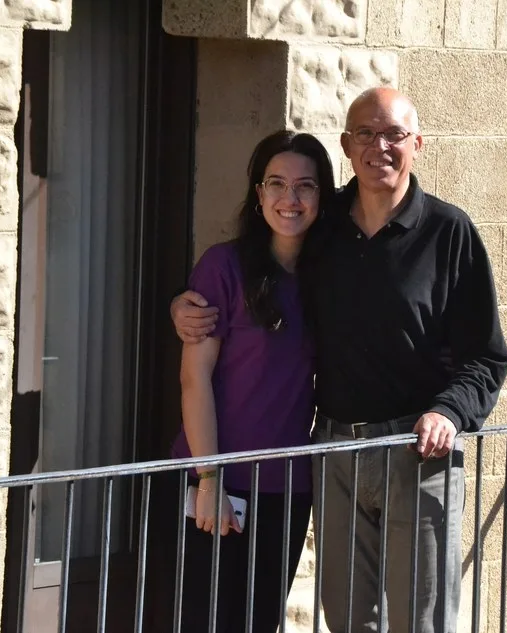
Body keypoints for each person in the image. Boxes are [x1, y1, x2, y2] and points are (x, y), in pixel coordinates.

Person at [170, 87, 507, 633]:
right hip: (333, 455)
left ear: (418, 143)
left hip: (415, 451)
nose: (380, 146)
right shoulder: (322, 228)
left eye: (394, 134)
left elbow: (486, 357)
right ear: (347, 145)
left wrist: (448, 412)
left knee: (420, 620)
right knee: (348, 618)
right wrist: (178, 306)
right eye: (366, 134)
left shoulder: (449, 233)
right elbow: (245, 281)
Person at [169, 129, 336, 632]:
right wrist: (210, 477)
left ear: (322, 196)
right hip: (216, 478)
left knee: (260, 622)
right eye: (277, 183)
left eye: (305, 186)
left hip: (287, 487)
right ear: (259, 192)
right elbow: (194, 378)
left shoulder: (328, 277)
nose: (290, 198)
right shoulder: (224, 267)